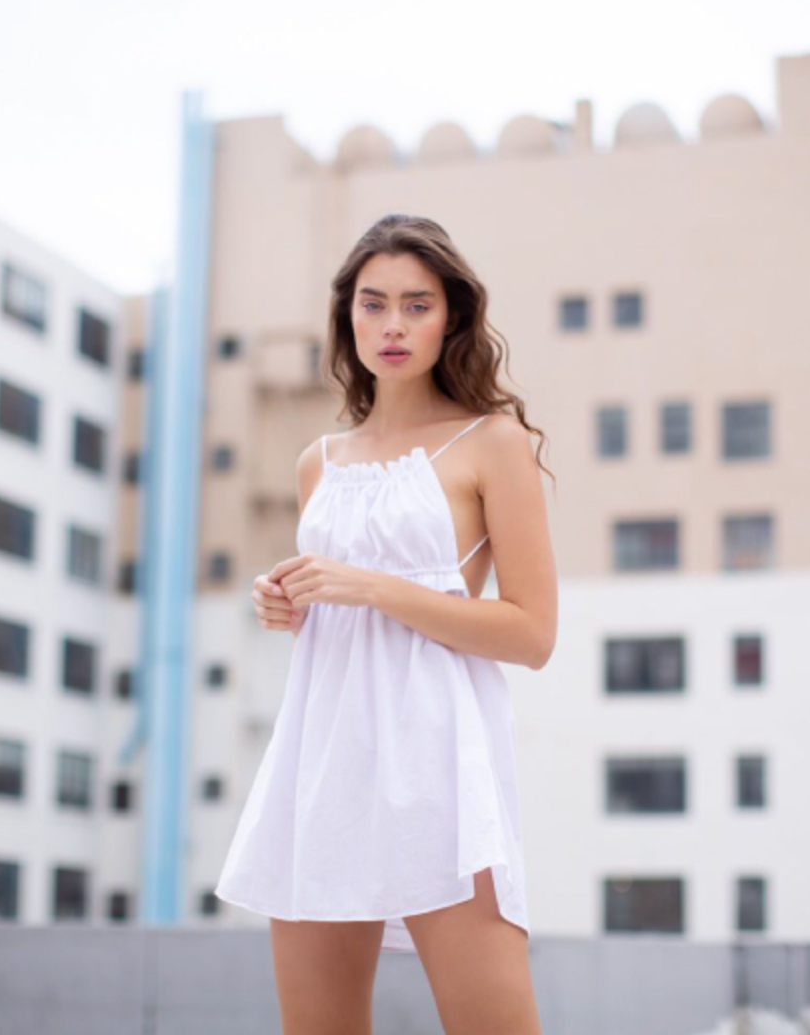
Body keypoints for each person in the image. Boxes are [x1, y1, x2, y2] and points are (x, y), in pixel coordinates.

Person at [214, 216, 557, 1035]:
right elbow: (343, 624)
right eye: (373, 305)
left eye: (417, 305)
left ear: (453, 319)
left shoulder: (493, 444)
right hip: (324, 756)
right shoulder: (318, 463)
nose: (394, 326)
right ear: (348, 319)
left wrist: (373, 587)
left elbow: (532, 634)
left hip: (438, 762)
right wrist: (291, 605)